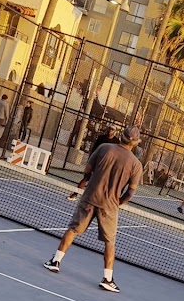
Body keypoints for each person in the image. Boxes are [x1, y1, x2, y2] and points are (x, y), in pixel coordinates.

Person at [44, 125, 143, 292]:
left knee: (73, 229)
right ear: (136, 142)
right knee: (110, 242)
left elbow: (87, 171)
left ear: (121, 136)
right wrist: (119, 202)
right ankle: (107, 279)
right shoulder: (136, 164)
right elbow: (130, 192)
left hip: (89, 197)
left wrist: (92, 182)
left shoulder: (104, 148)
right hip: (110, 206)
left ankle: (55, 261)